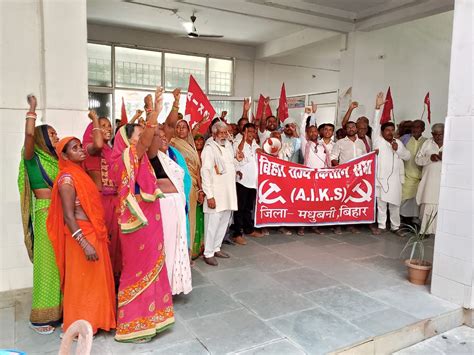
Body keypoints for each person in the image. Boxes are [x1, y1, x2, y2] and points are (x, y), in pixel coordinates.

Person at [110, 87, 174, 343]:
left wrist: (155, 116)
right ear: (126, 141)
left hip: (148, 217)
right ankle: (133, 325)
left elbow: (153, 141)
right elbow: (147, 141)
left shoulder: (141, 159)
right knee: (137, 271)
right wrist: (153, 113)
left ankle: (154, 318)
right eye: (137, 135)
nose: (143, 139)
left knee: (154, 267)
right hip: (135, 221)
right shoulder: (123, 158)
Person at [46, 136, 116, 335]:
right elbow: (68, 216)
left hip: (94, 234)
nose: (81, 150)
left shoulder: (80, 173)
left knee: (96, 282)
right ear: (65, 156)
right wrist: (84, 244)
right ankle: (81, 326)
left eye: (79, 146)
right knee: (82, 284)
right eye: (74, 148)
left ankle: (97, 320)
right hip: (81, 238)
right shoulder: (67, 179)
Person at [18, 95, 61, 334]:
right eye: (52, 134)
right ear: (42, 139)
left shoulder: (58, 161)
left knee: (59, 265)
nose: (56, 137)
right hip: (45, 215)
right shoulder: (32, 159)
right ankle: (40, 318)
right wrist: (32, 111)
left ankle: (58, 311)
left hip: (60, 216)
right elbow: (29, 136)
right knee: (46, 265)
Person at [148, 125, 192, 295]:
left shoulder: (173, 155)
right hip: (162, 208)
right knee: (165, 246)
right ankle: (162, 287)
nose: (164, 138)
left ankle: (174, 285)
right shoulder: (151, 157)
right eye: (158, 136)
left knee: (175, 246)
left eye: (164, 136)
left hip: (176, 207)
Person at [82, 110, 122, 283]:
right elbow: (97, 144)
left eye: (109, 126)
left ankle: (114, 280)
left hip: (115, 201)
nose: (108, 128)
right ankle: (103, 281)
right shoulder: (90, 148)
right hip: (100, 201)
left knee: (116, 244)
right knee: (104, 242)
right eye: (102, 126)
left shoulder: (111, 150)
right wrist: (95, 119)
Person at [371, 92, 411, 235]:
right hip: (380, 179)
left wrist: (398, 150)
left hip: (395, 180)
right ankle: (381, 226)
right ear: (382, 132)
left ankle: (395, 227)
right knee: (381, 204)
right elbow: (375, 125)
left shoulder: (398, 143)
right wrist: (377, 108)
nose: (390, 132)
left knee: (395, 204)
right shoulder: (378, 141)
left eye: (392, 130)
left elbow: (407, 156)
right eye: (387, 130)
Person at [201, 121, 238, 266]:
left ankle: (216, 248)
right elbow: (205, 172)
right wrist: (209, 195)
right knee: (212, 224)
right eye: (221, 133)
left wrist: (238, 160)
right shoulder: (209, 148)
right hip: (215, 194)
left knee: (224, 222)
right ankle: (208, 253)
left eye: (225, 132)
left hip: (228, 192)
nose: (224, 135)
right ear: (214, 134)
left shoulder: (228, 145)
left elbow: (230, 164)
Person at [171, 118, 207, 259]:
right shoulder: (172, 143)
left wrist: (200, 188)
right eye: (178, 127)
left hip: (194, 185)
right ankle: (184, 250)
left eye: (184, 127)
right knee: (184, 217)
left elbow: (197, 169)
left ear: (188, 130)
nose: (181, 129)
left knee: (194, 216)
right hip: (181, 184)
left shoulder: (191, 145)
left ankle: (193, 248)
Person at [331, 120, 367, 234]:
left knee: (353, 201)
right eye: (349, 127)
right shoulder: (340, 143)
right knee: (341, 200)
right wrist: (341, 169)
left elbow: (365, 158)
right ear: (345, 130)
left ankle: (350, 224)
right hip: (344, 176)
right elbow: (333, 158)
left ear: (356, 128)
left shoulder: (361, 142)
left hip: (358, 177)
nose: (351, 129)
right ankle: (337, 225)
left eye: (353, 127)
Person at [231, 123, 263, 245]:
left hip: (253, 181)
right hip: (242, 181)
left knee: (248, 207)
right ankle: (237, 234)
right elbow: (238, 151)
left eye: (253, 132)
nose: (251, 134)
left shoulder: (254, 143)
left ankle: (249, 229)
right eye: (248, 131)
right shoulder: (237, 141)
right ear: (244, 132)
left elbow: (259, 151)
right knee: (239, 208)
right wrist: (243, 140)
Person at [415, 123, 444, 235]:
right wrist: (429, 158)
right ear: (432, 134)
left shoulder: (451, 142)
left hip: (444, 181)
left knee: (441, 204)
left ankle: (440, 231)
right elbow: (417, 160)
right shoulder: (427, 143)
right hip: (429, 181)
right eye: (436, 134)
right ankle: (425, 231)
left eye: (441, 134)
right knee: (428, 203)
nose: (438, 137)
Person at [401, 120, 427, 222]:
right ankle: (403, 221)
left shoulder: (427, 142)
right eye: (413, 127)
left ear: (423, 129)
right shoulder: (405, 139)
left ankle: (414, 222)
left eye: (418, 127)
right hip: (406, 175)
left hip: (420, 177)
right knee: (403, 199)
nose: (415, 129)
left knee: (417, 201)